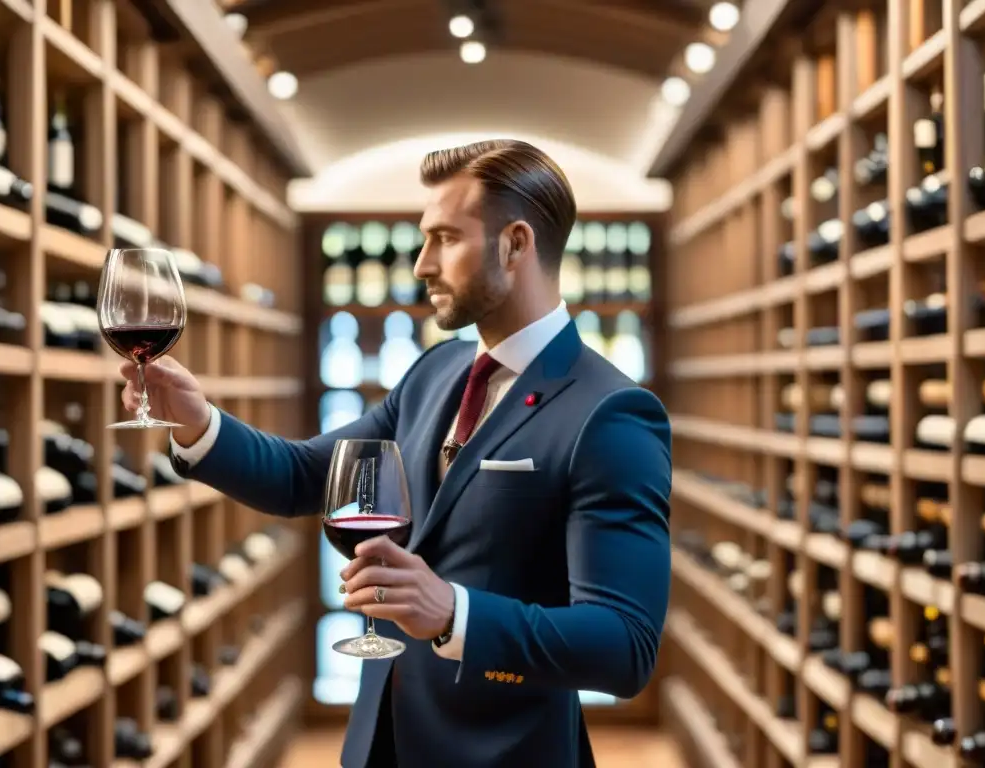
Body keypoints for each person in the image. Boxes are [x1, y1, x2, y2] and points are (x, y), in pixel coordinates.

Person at [119, 139, 673, 768]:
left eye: (445, 239)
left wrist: (451, 613)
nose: (420, 265)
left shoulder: (611, 413)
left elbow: (624, 646)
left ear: (515, 244)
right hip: (378, 744)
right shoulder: (437, 372)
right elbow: (306, 476)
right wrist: (199, 422)